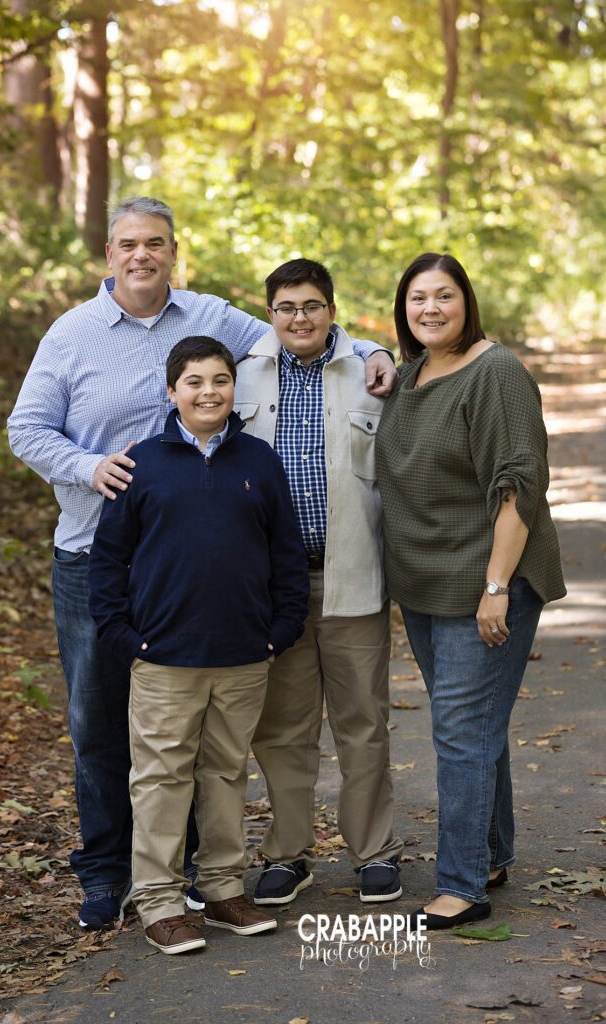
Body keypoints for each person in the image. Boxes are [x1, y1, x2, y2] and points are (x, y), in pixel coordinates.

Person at [6, 197, 396, 929]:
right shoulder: (72, 333)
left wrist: (375, 350)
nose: (142, 255)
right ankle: (108, 873)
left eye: (155, 242)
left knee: (201, 733)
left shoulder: (210, 316)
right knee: (101, 726)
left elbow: (300, 332)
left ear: (172, 251)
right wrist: (91, 467)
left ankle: (193, 873)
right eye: (128, 243)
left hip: (202, 564)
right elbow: (25, 429)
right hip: (96, 551)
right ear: (109, 254)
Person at [88, 336, 309, 954]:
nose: (209, 392)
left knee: (226, 773)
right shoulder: (141, 464)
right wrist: (125, 637)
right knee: (161, 778)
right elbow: (107, 563)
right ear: (171, 391)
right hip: (164, 657)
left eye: (220, 380)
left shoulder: (259, 459)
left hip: (244, 655)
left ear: (234, 388)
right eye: (194, 381)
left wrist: (280, 631)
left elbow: (286, 554)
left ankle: (220, 888)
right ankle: (159, 901)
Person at [374, 253, 565, 930]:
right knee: (475, 726)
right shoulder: (409, 375)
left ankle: (460, 886)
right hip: (424, 585)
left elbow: (519, 486)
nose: (429, 308)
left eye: (443, 296)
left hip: (485, 581)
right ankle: (488, 855)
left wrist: (496, 586)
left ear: (467, 301)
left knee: (460, 732)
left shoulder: (496, 373)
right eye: (417, 298)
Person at [234, 259, 404, 906]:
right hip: (274, 587)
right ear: (269, 313)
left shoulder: (371, 375)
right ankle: (287, 854)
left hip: (353, 575)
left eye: (311, 306)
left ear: (332, 311)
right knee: (281, 727)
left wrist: (377, 349)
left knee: (363, 723)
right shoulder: (242, 375)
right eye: (286, 307)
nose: (299, 317)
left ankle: (374, 852)